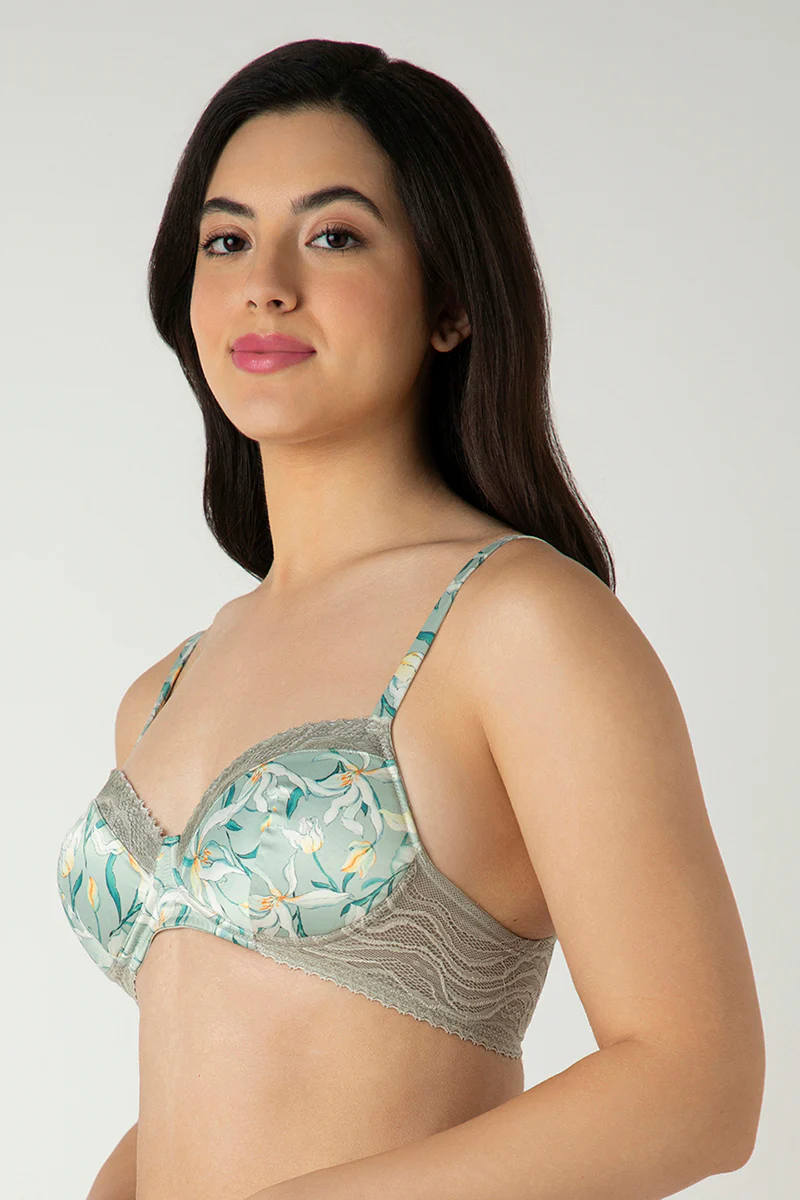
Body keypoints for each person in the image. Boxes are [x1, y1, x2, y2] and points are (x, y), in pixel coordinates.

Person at [56, 38, 764, 1200]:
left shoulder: (519, 625)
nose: (264, 282)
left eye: (332, 235)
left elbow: (695, 1088)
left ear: (448, 303)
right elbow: (221, 1072)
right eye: (225, 240)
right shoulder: (165, 690)